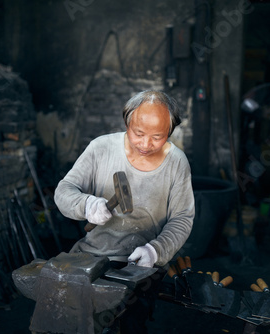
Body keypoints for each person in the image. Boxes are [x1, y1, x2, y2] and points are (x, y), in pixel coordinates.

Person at [54, 90, 195, 333]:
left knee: (129, 323)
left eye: (157, 137)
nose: (145, 144)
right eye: (138, 133)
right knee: (73, 320)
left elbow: (182, 218)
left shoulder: (177, 162)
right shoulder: (100, 148)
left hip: (142, 263)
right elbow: (64, 191)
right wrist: (86, 204)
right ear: (127, 122)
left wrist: (156, 250)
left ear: (169, 133)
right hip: (92, 254)